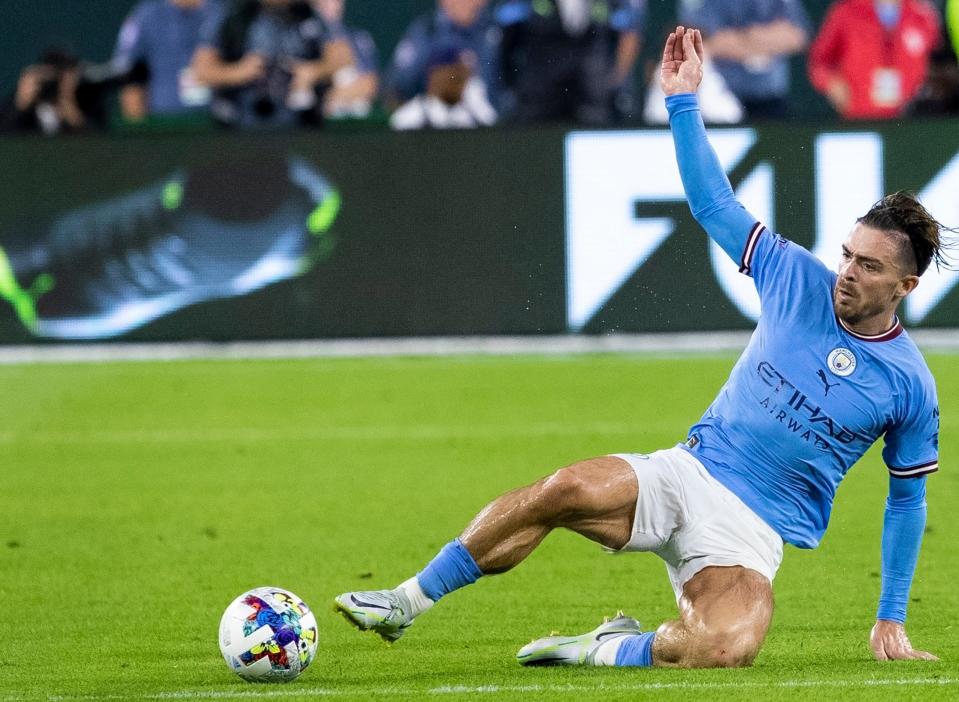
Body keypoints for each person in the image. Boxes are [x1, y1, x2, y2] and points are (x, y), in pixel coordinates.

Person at [334, 26, 948, 668]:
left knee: (727, 647)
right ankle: (406, 600)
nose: (848, 270)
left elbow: (907, 500)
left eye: (869, 266)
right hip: (687, 473)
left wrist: (890, 619)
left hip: (750, 534)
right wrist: (683, 102)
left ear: (904, 285)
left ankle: (607, 647)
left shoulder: (908, 385)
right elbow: (715, 206)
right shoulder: (796, 277)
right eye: (847, 253)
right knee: (563, 489)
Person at [191, 0, 352, 127]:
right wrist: (238, 72)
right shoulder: (234, 16)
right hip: (241, 124)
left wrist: (313, 71)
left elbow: (343, 57)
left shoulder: (308, 14)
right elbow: (201, 70)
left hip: (300, 124)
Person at [496, 0, 645, 125]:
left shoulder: (613, 5)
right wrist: (513, 90)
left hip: (594, 104)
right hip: (537, 105)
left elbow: (629, 34)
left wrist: (611, 84)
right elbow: (505, 45)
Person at [809, 0, 941, 120]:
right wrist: (830, 82)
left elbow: (934, 62)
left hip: (909, 117)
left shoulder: (922, 15)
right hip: (859, 114)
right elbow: (819, 61)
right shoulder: (847, 12)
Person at [677, 0, 810, 120]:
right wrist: (762, 40)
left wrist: (741, 39)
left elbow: (796, 36)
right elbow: (702, 41)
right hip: (718, 100)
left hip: (769, 100)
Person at [112, 0, 225, 122]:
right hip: (163, 120)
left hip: (218, 120)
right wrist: (137, 128)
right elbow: (128, 76)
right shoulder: (146, 15)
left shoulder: (222, 10)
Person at [384, 0, 500, 112]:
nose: (463, 2)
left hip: (496, 125)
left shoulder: (498, 31)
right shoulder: (426, 31)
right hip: (435, 124)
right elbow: (396, 89)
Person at [389, 42, 498, 130]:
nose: (459, 79)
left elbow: (494, 133)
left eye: (461, 73)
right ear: (435, 75)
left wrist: (476, 102)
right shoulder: (413, 114)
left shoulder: (472, 110)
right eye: (454, 72)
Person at [309, 0, 379, 118]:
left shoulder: (357, 37)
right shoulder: (306, 35)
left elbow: (370, 85)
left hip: (351, 114)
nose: (327, 4)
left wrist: (336, 96)